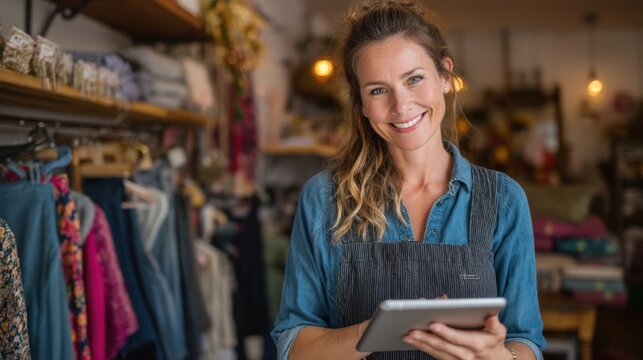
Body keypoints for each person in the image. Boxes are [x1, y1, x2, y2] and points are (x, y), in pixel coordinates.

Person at [271, 0, 546, 359]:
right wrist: (379, 329)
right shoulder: (324, 198)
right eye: (378, 90)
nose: (401, 106)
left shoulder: (504, 199)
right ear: (363, 105)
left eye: (414, 79)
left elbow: (526, 340)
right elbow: (293, 347)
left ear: (445, 76)